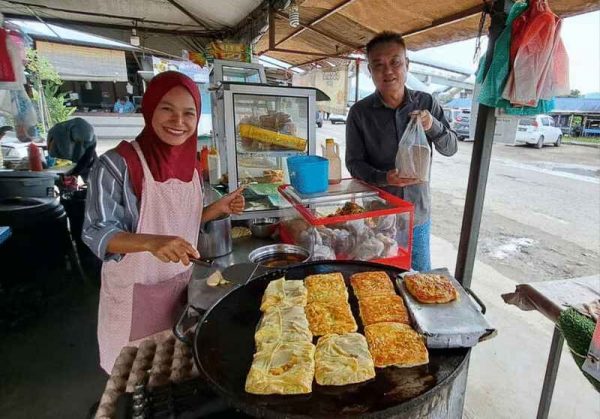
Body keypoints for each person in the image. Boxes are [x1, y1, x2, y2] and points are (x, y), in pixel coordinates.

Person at [82, 71, 245, 372]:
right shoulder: (117, 164)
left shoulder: (191, 164)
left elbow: (179, 222)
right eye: (167, 109)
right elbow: (96, 232)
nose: (178, 121)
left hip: (178, 289)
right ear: (150, 108)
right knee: (135, 377)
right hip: (135, 294)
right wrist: (150, 242)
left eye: (188, 113)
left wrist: (216, 209)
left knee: (173, 370)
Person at [345, 31, 458, 272]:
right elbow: (354, 163)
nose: (388, 71)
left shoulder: (426, 103)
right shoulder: (360, 113)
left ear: (407, 64)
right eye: (379, 65)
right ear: (370, 71)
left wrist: (433, 126)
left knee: (420, 276)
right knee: (379, 277)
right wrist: (385, 177)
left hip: (417, 213)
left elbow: (451, 147)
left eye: (395, 62)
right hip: (379, 215)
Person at [47, 117, 98, 182]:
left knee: (91, 169)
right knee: (62, 177)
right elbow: (63, 157)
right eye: (79, 141)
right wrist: (69, 175)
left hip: (79, 160)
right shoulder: (59, 132)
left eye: (85, 142)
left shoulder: (91, 138)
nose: (82, 143)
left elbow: (87, 158)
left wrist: (77, 172)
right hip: (61, 158)